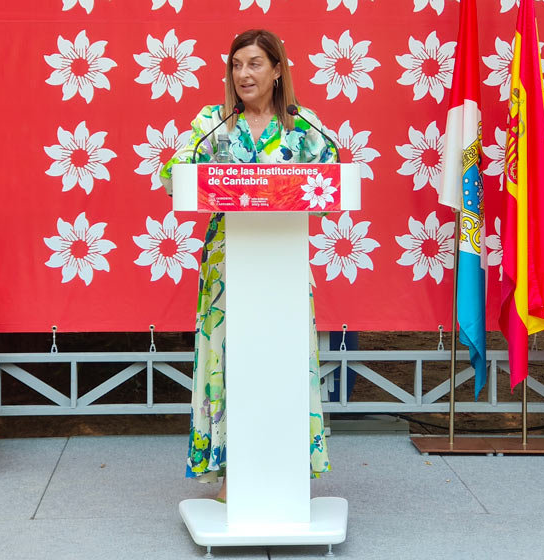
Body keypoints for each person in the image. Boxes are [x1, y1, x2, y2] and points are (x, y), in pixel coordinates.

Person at [159, 29, 334, 501]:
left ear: (278, 70)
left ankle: (287, 471)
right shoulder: (214, 123)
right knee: (229, 364)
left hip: (284, 265)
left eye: (255, 63)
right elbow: (173, 176)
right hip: (226, 270)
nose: (244, 74)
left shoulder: (303, 126)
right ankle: (233, 474)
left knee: (285, 361)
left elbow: (335, 175)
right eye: (237, 65)